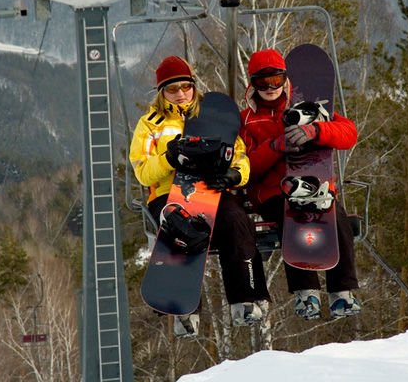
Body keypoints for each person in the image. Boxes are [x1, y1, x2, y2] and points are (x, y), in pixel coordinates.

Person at [129, 55, 270, 337]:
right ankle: (184, 311)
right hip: (170, 193)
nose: (180, 94)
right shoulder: (150, 124)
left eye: (185, 86)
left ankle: (245, 299)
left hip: (210, 189)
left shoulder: (213, 117)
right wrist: (169, 158)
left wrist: (234, 176)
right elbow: (143, 171)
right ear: (161, 92)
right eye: (172, 89)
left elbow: (239, 155)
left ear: (194, 87)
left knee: (236, 220)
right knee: (182, 228)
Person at [239, 48, 362, 320]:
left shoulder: (306, 108)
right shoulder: (247, 120)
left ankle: (342, 292)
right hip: (273, 190)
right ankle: (306, 293)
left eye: (276, 80)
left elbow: (348, 134)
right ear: (252, 83)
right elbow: (247, 167)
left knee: (334, 214)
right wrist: (275, 147)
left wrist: (316, 130)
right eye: (262, 82)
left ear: (285, 80)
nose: (271, 88)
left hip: (312, 181)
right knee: (291, 213)